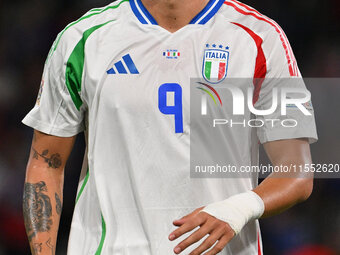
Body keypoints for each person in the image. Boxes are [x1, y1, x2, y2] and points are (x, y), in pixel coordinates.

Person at [22, 0, 318, 254]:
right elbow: (46, 163)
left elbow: (297, 173)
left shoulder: (261, 38)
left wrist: (238, 208)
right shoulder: (83, 39)